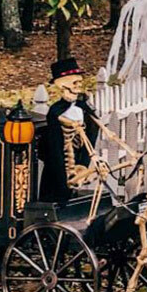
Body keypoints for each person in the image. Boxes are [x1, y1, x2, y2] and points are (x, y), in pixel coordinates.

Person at [40, 58, 99, 202]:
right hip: (59, 165)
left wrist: (83, 165)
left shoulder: (83, 107)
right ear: (63, 85)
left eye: (80, 82)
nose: (79, 85)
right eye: (75, 83)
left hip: (79, 162)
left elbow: (92, 131)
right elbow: (54, 145)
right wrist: (61, 177)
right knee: (57, 196)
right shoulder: (56, 111)